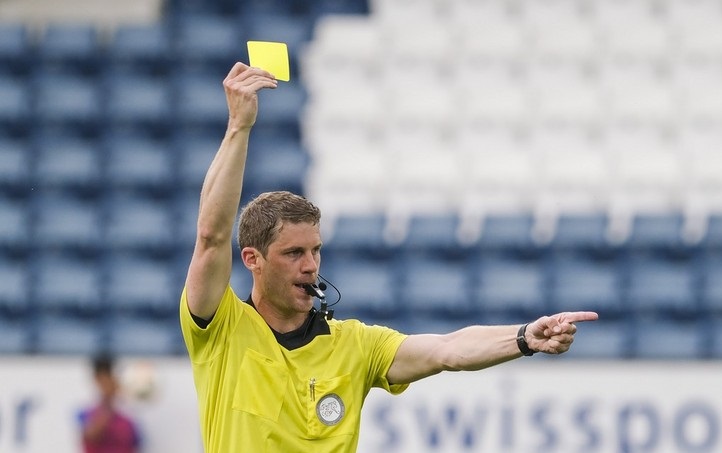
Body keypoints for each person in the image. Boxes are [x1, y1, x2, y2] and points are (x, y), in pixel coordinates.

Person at [179, 62, 599, 453]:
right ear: (252, 259)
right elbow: (211, 237)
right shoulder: (221, 328)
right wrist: (239, 126)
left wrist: (524, 338)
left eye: (316, 250)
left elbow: (447, 349)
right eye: (293, 253)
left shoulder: (355, 345)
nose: (310, 265)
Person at [78, 354, 141, 453]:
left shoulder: (128, 417)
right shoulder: (84, 413)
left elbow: (134, 444)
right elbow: (91, 436)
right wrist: (109, 399)